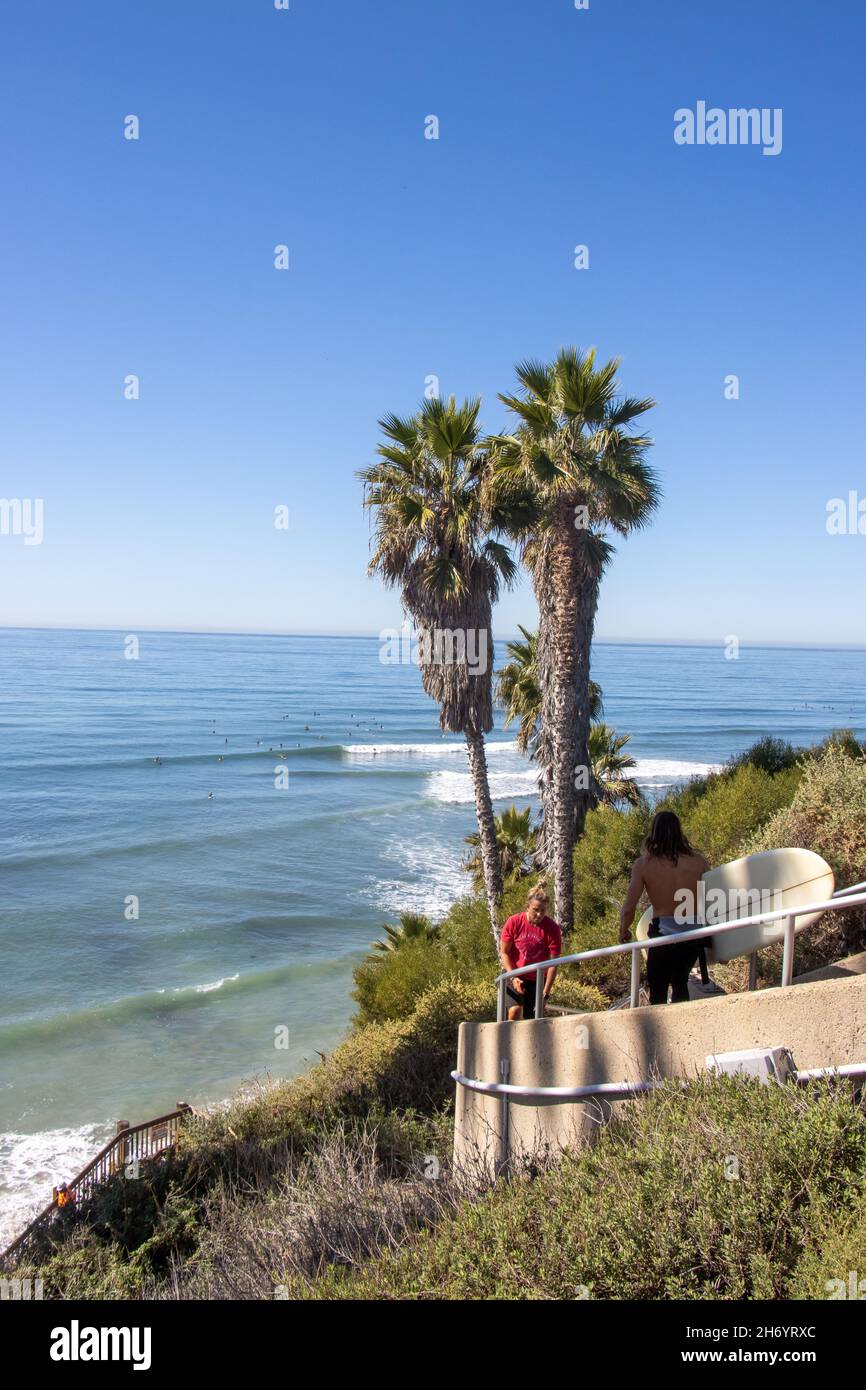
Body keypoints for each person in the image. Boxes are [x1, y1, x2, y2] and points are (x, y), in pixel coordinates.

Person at [619, 811, 710, 1005]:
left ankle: (659, 1035)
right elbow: (710, 903)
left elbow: (629, 908)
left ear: (654, 833)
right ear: (679, 832)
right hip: (692, 934)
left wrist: (623, 931)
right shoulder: (699, 862)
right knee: (681, 983)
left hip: (663, 935)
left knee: (658, 991)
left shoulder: (644, 865)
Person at [500, 882, 562, 1021]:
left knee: (531, 1020)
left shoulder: (552, 928)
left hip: (537, 979)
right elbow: (504, 952)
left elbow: (554, 962)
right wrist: (513, 976)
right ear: (527, 907)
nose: (539, 914)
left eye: (543, 910)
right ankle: (509, 1041)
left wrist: (545, 993)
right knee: (515, 1011)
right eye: (535, 909)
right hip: (514, 973)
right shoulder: (514, 922)